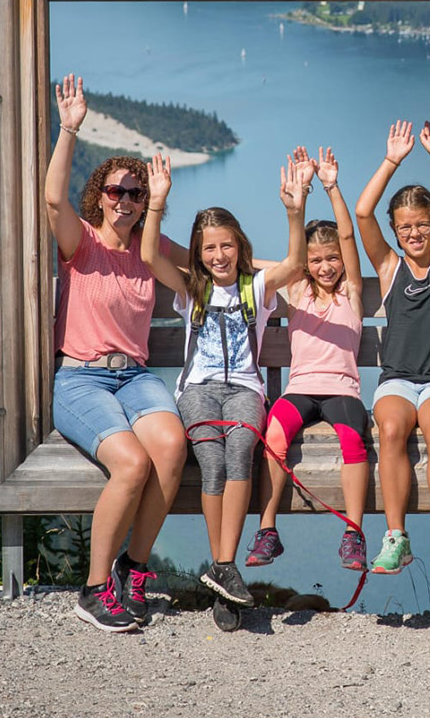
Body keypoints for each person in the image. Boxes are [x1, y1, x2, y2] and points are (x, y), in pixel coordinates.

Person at [139, 150, 309, 632]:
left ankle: (222, 568)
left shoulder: (258, 287)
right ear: (198, 252)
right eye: (209, 248)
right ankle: (225, 568)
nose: (218, 256)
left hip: (245, 391)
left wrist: (294, 212)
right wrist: (156, 203)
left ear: (240, 246)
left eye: (226, 246)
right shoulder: (191, 288)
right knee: (212, 460)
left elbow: (296, 264)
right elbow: (149, 256)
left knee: (240, 452)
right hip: (197, 389)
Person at [44, 74, 190, 633]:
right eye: (116, 192)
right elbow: (51, 197)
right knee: (132, 463)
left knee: (171, 448)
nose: (125, 201)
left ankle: (135, 568)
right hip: (81, 379)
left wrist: (297, 268)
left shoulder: (149, 248)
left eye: (136, 194)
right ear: (99, 196)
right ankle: (93, 589)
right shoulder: (80, 240)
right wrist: (69, 129)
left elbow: (216, 263)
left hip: (135, 378)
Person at [355, 119, 430, 581]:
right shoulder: (390, 267)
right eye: (405, 226)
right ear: (394, 229)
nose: (414, 233)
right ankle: (396, 537)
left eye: (423, 224)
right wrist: (392, 160)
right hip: (398, 380)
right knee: (390, 429)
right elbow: (363, 213)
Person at [247, 147, 375, 576]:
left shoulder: (351, 292)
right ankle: (267, 529)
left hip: (343, 391)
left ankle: (353, 532)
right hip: (300, 389)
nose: (326, 266)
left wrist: (332, 187)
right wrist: (297, 204)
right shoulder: (296, 288)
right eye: (316, 260)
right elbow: (263, 262)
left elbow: (349, 238)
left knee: (354, 441)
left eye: (332, 258)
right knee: (274, 436)